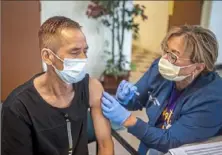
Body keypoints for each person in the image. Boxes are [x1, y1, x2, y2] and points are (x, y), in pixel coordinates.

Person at [101, 25, 222, 154]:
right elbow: (138, 99)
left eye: (174, 56)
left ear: (197, 67)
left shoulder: (212, 99)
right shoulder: (160, 70)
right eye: (166, 51)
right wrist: (126, 99)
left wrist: (128, 120)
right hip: (153, 139)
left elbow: (169, 141)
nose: (164, 60)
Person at [1, 16, 114, 155]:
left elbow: (105, 144)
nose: (83, 59)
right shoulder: (18, 107)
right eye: (75, 52)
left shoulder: (92, 87)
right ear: (48, 56)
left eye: (85, 51)